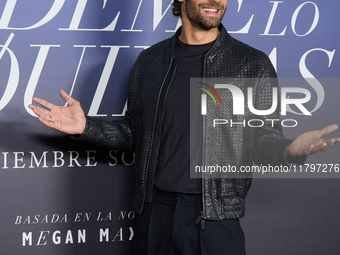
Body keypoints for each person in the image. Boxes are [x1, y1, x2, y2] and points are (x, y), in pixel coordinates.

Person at [28, 0, 340, 254]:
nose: (216, 1)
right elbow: (137, 135)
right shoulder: (150, 62)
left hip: (215, 218)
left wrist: (289, 149)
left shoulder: (252, 64)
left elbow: (260, 142)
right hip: (154, 214)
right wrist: (87, 127)